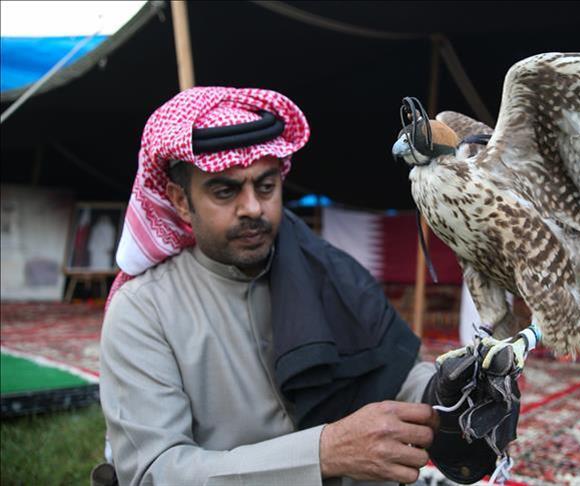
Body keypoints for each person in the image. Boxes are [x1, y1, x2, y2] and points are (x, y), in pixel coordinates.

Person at [98, 87, 515, 486]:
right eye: (225, 191)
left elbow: (395, 377)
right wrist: (323, 453)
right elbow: (155, 472)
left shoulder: (324, 268)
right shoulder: (143, 310)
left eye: (266, 186)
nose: (253, 208)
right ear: (180, 200)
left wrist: (449, 392)